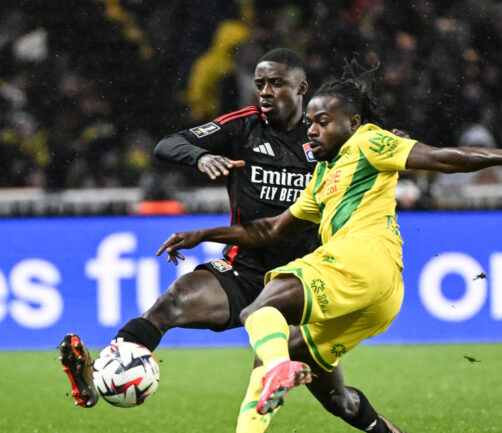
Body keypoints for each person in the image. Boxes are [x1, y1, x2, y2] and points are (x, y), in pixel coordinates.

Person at [156, 60, 502, 432]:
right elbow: (272, 230)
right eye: (311, 122)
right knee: (327, 388)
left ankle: (281, 369)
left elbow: (440, 158)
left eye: (322, 122)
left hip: (363, 259)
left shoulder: (369, 142)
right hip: (379, 298)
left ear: (352, 122)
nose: (312, 130)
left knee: (259, 311)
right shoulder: (321, 178)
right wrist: (205, 234)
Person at [58, 48, 408, 433]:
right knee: (171, 303)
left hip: (307, 278)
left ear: (301, 87)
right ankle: (99, 373)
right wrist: (200, 157)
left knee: (338, 400)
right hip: (244, 269)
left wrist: (395, 141)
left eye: (276, 83)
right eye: (260, 84)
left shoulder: (326, 135)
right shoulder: (243, 127)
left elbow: (373, 144)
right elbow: (167, 145)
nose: (265, 91)